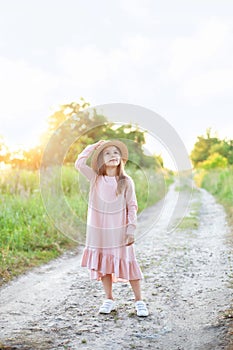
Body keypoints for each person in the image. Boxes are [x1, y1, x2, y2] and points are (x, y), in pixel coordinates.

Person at [75, 139, 149, 317]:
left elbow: (132, 206)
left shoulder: (126, 181)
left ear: (121, 158)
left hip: (119, 230)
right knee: (104, 264)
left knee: (129, 262)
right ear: (101, 159)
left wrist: (131, 229)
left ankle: (139, 301)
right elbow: (79, 163)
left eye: (116, 152)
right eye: (107, 153)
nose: (112, 156)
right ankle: (109, 299)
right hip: (99, 230)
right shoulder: (95, 178)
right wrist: (94, 147)